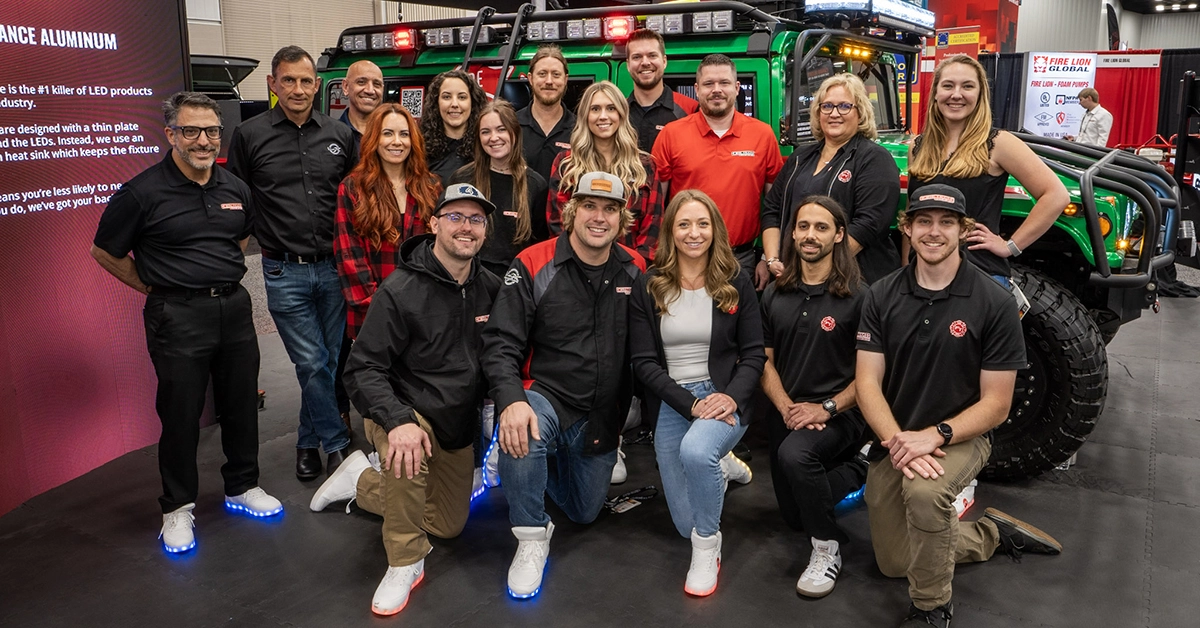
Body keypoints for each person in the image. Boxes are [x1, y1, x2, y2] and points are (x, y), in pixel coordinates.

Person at [856, 184, 1062, 628]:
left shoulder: (994, 302)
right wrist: (898, 442)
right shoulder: (881, 295)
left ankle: (931, 606)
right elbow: (867, 383)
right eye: (924, 221)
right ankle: (989, 533)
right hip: (897, 435)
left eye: (946, 222)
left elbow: (997, 404)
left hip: (961, 435)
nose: (934, 232)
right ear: (906, 229)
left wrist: (934, 436)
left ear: (963, 230)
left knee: (927, 495)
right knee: (893, 561)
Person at [91, 92, 283, 553]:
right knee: (179, 414)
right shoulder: (141, 192)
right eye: (191, 131)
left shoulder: (234, 188)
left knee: (240, 404)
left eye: (212, 131)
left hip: (233, 309)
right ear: (171, 134)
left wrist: (212, 276)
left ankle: (242, 486)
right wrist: (157, 288)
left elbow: (239, 240)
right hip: (176, 315)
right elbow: (105, 251)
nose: (203, 140)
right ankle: (177, 508)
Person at [310, 184, 501, 616]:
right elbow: (361, 369)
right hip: (402, 408)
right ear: (433, 224)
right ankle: (404, 562)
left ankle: (359, 482)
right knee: (406, 452)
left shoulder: (490, 286)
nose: (465, 227)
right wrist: (397, 421)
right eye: (455, 217)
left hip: (455, 421)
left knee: (448, 526)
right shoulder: (401, 290)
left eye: (475, 219)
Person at [482, 172, 646, 599]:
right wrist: (511, 400)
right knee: (523, 429)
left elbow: (647, 352)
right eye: (589, 206)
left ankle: (530, 468)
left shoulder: (635, 267)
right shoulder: (533, 263)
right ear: (572, 211)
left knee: (584, 511)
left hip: (603, 414)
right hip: (547, 396)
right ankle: (532, 536)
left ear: (621, 218)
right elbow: (500, 343)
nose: (599, 217)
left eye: (610, 209)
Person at [226, 45, 355, 480]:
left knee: (327, 362)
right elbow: (239, 199)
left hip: (334, 268)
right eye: (289, 81)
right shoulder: (249, 135)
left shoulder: (339, 134)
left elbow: (353, 198)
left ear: (317, 86)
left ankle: (306, 441)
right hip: (283, 271)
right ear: (272, 84)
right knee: (311, 363)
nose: (298, 89)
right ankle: (336, 447)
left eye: (305, 81)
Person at [628, 190, 765, 597]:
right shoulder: (650, 284)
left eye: (702, 224)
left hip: (723, 393)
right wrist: (690, 404)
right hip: (675, 398)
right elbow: (643, 363)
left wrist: (731, 398)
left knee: (695, 454)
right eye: (684, 224)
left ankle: (707, 547)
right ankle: (721, 467)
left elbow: (754, 353)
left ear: (715, 229)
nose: (694, 233)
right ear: (670, 230)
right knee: (681, 522)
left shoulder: (735, 279)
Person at [760, 195, 869, 599]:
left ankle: (827, 548)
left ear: (839, 235)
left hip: (842, 410)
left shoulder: (860, 297)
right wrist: (788, 407)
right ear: (792, 232)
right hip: (789, 409)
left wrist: (824, 408)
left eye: (821, 227)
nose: (810, 235)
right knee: (792, 516)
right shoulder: (775, 293)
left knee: (796, 458)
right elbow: (763, 362)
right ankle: (864, 469)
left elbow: (871, 378)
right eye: (803, 226)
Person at [906, 53, 1069, 288]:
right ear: (935, 95)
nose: (956, 94)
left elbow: (1056, 196)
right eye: (948, 86)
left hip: (980, 277)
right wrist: (906, 266)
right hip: (922, 275)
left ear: (980, 95)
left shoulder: (999, 143)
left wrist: (1010, 245)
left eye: (967, 86)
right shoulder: (918, 146)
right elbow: (913, 211)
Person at [653, 54, 783, 288]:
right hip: (686, 257)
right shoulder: (671, 135)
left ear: (736, 88)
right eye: (708, 84)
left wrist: (765, 256)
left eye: (723, 83)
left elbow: (775, 206)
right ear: (697, 89)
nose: (716, 90)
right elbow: (656, 207)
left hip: (742, 259)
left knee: (740, 324)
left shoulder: (762, 135)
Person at [761, 74, 900, 285]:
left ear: (860, 112)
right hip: (795, 278)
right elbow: (772, 209)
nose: (834, 114)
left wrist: (817, 268)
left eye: (844, 106)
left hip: (851, 282)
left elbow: (869, 224)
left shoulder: (874, 158)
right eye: (827, 106)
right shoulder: (800, 157)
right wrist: (772, 259)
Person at [334, 103, 441, 341]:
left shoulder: (431, 187)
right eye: (388, 133)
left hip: (423, 312)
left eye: (404, 134)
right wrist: (382, 308)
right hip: (372, 313)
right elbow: (349, 258)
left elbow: (439, 253)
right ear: (374, 139)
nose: (397, 141)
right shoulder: (353, 188)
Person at [547, 81, 665, 263]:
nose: (603, 116)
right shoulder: (566, 164)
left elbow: (653, 229)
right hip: (575, 270)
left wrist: (634, 270)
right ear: (585, 115)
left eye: (611, 108)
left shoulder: (645, 166)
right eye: (595, 109)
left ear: (621, 114)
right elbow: (558, 225)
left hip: (629, 271)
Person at [450, 99, 550, 277]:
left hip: (515, 283)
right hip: (469, 279)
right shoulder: (463, 179)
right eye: (485, 132)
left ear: (515, 133)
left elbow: (540, 244)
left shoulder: (536, 184)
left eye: (501, 129)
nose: (493, 138)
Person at [625, 28, 698, 153]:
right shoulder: (619, 112)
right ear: (628, 65)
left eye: (652, 55)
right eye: (637, 57)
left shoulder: (691, 110)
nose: (645, 62)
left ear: (664, 61)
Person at [518, 45, 574, 183]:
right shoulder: (511, 125)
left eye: (556, 75)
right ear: (530, 78)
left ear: (565, 80)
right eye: (542, 74)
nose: (549, 81)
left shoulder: (580, 129)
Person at [421, 69, 487, 186]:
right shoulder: (421, 149)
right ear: (436, 103)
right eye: (447, 97)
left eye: (462, 97)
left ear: (473, 102)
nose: (455, 104)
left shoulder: (486, 146)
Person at [339, 60, 384, 142]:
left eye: (376, 84)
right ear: (345, 86)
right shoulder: (330, 134)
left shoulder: (392, 135)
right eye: (361, 82)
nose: (370, 90)